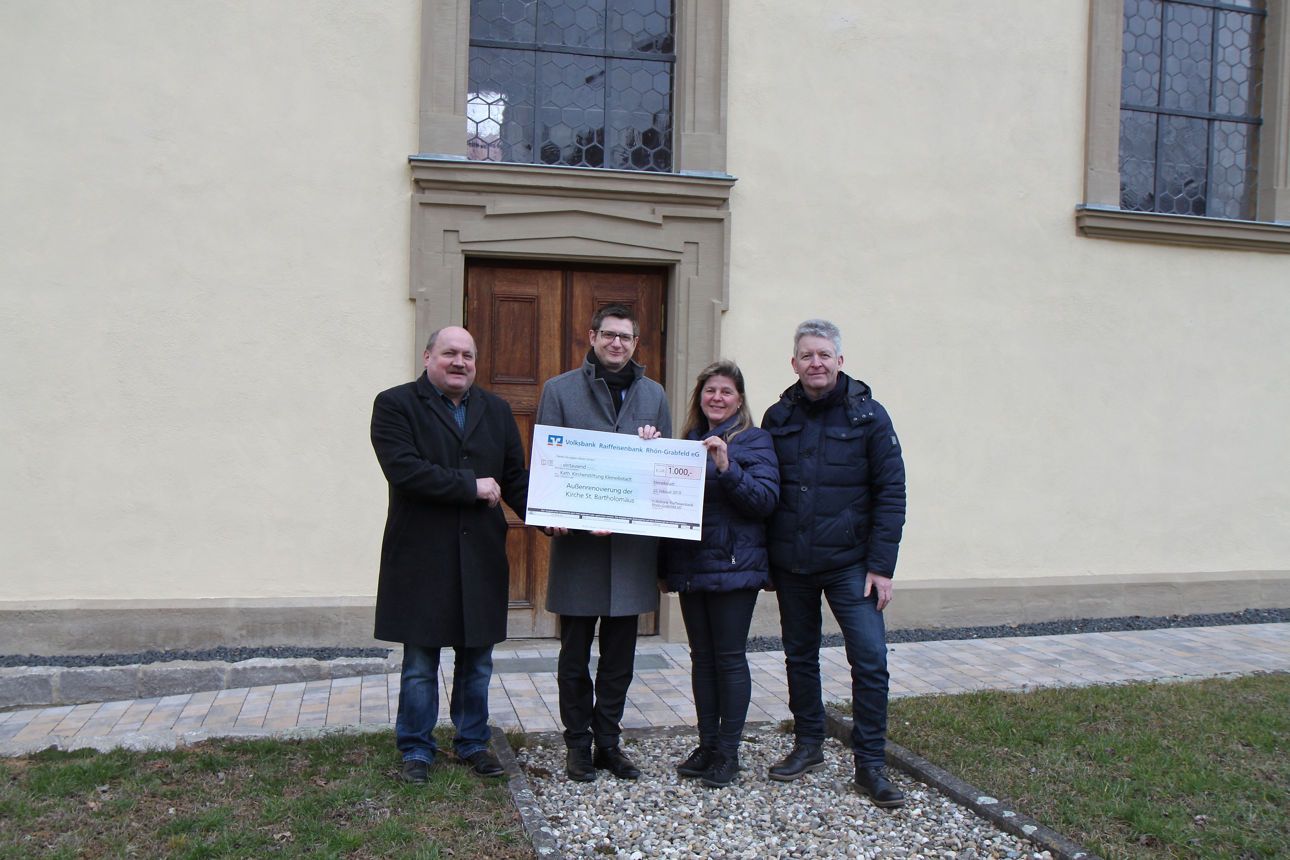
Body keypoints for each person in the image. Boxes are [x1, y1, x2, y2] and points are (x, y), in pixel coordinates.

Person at [370, 326, 528, 785]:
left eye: (468, 355)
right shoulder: (395, 404)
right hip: (421, 555)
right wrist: (469, 486)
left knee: (477, 661)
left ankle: (473, 742)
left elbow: (514, 479)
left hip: (480, 555)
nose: (460, 362)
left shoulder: (496, 409)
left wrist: (553, 516)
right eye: (449, 353)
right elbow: (404, 470)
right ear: (427, 357)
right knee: (421, 663)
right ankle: (416, 749)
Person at [760, 319, 907, 808]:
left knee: (870, 659)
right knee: (800, 656)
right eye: (807, 355)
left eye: (824, 354)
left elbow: (891, 492)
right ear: (794, 363)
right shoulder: (778, 417)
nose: (816, 363)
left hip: (852, 565)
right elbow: (765, 489)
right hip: (792, 563)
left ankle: (870, 764)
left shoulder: (870, 416)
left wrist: (881, 566)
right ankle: (809, 744)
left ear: (840, 361)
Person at [536, 302, 672, 782]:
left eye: (626, 337)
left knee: (620, 658)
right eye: (609, 334)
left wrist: (655, 448)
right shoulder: (559, 390)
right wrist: (556, 519)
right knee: (574, 655)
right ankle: (577, 744)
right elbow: (547, 466)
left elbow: (664, 474)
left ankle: (608, 742)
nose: (617, 343)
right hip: (579, 550)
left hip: (631, 552)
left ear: (636, 343)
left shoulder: (654, 395)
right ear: (591, 336)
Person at [639, 360, 779, 788]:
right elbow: (662, 505)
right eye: (710, 390)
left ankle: (729, 753)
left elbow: (765, 501)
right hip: (691, 567)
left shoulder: (754, 440)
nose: (717, 398)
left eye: (726, 391)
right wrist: (648, 451)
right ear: (699, 397)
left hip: (735, 568)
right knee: (701, 659)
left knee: (729, 658)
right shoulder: (685, 443)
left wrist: (726, 466)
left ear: (739, 400)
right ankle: (708, 744)